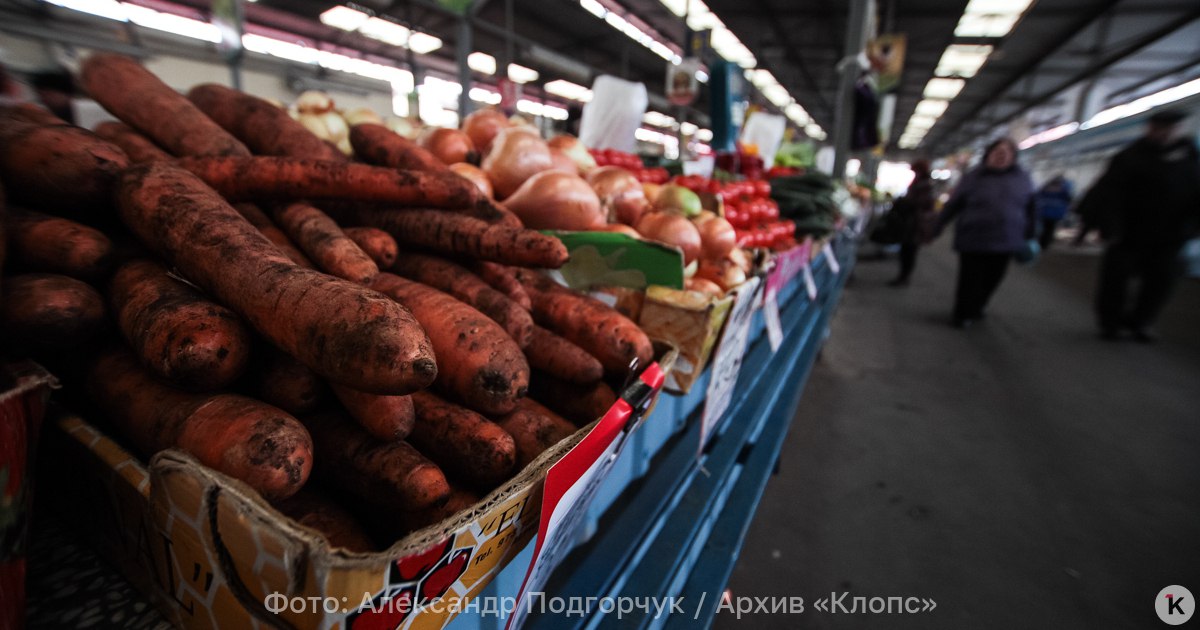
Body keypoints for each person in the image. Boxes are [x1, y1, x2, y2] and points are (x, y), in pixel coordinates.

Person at [1075, 109, 1200, 342]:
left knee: (1160, 282)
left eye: (1170, 129)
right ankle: (1110, 322)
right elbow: (1109, 193)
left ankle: (1141, 322)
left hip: (1171, 235)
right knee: (1116, 280)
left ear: (1180, 129)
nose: (1164, 134)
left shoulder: (1191, 158)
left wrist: (1193, 226)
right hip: (1128, 233)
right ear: (1150, 129)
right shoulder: (1129, 157)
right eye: (1158, 129)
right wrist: (1110, 227)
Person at [935, 138, 1037, 328]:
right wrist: (938, 225)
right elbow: (953, 204)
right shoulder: (973, 178)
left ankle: (979, 304)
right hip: (974, 237)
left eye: (1007, 152)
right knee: (969, 278)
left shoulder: (1023, 179)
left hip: (1006, 239)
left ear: (1014, 158)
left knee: (993, 277)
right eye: (998, 151)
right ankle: (962, 314)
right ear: (988, 154)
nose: (1002, 155)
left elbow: (1031, 208)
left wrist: (1030, 234)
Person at [888, 159, 935, 286]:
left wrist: (902, 202)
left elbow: (920, 203)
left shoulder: (924, 185)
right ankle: (903, 276)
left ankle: (904, 278)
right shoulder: (920, 183)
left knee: (909, 252)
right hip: (912, 224)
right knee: (906, 251)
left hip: (915, 225)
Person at [1034, 174, 1074, 250]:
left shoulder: (1045, 187)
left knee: (1043, 228)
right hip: (1056, 213)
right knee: (1050, 229)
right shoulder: (1063, 189)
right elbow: (1069, 199)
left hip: (1044, 212)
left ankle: (1041, 243)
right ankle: (1045, 244)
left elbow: (1037, 197)